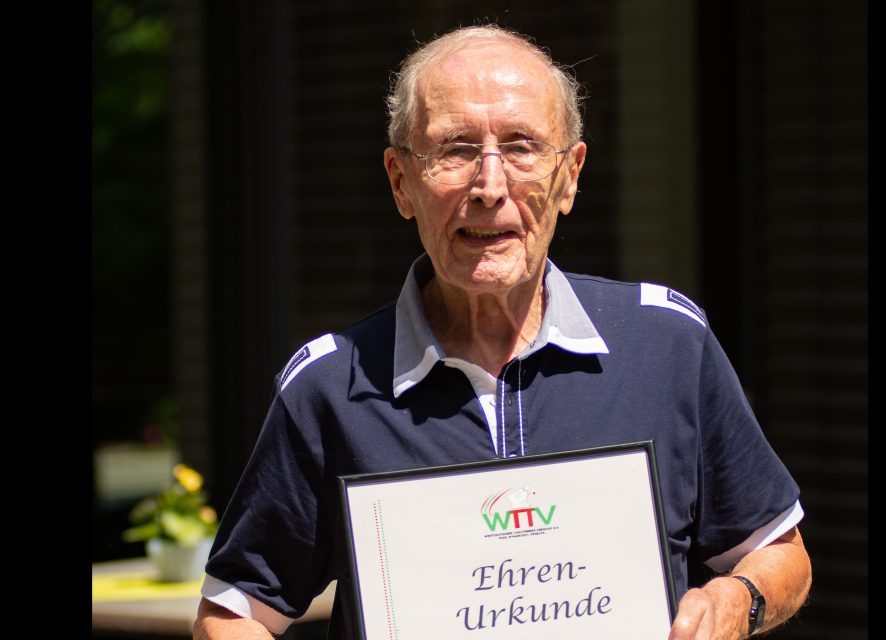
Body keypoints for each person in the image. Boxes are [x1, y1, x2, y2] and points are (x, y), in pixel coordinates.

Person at [194, 24, 811, 640]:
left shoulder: (666, 346)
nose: (490, 188)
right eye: (455, 150)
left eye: (522, 146)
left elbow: (780, 553)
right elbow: (233, 615)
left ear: (570, 175)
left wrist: (739, 600)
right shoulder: (330, 387)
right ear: (401, 182)